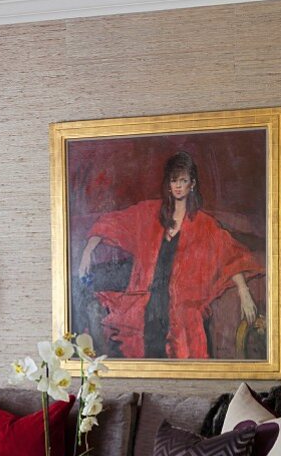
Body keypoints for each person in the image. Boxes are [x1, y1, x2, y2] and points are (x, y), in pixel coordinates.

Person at [77, 151, 263, 359]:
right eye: (174, 180)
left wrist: (244, 291)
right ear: (168, 184)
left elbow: (228, 253)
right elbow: (114, 222)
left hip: (180, 304)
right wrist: (88, 250)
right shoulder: (150, 213)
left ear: (192, 184)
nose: (178, 185)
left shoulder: (204, 224)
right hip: (146, 299)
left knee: (182, 338)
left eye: (183, 181)